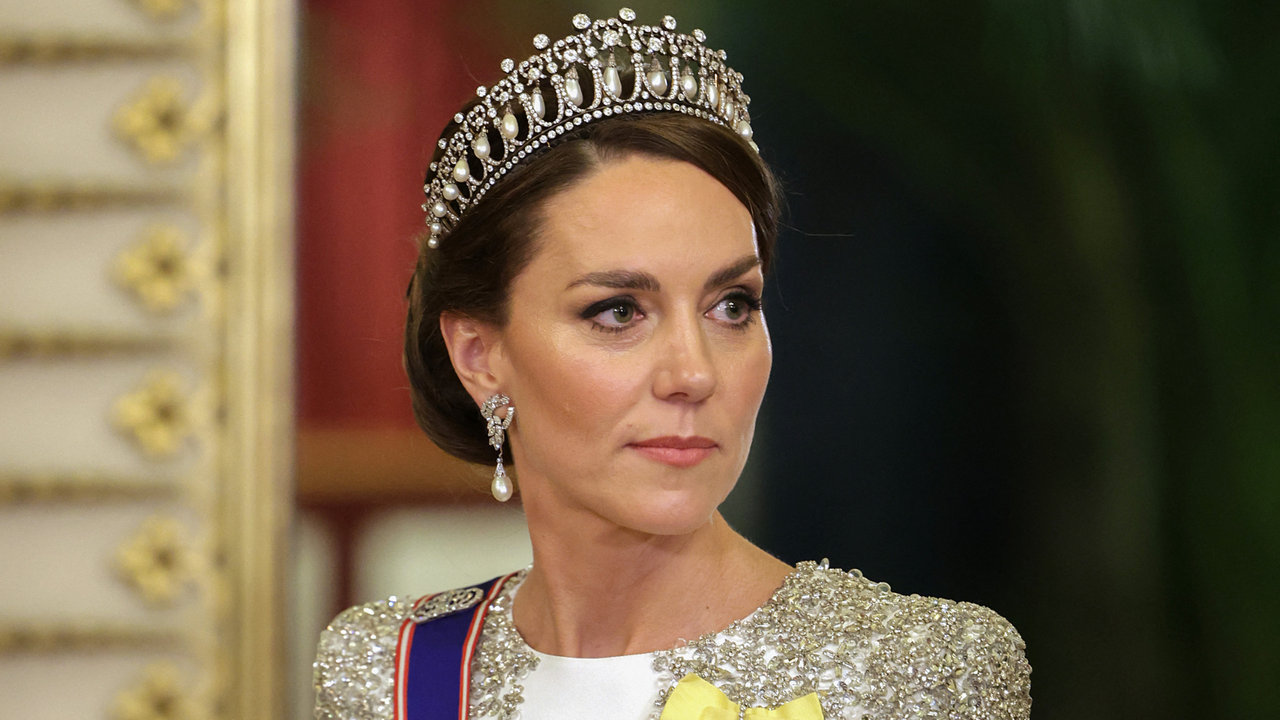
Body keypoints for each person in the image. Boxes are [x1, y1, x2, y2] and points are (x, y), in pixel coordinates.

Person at [314, 8, 1032, 720]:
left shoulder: (925, 673)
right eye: (619, 311)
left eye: (732, 306)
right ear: (479, 356)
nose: (694, 374)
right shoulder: (389, 672)